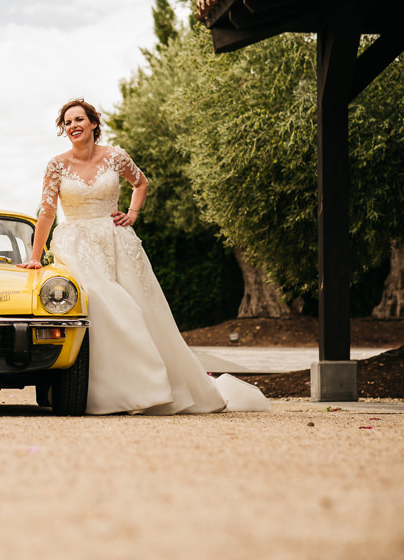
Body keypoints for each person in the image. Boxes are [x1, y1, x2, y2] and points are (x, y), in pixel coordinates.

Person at [19, 98, 268, 414]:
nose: (73, 126)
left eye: (79, 119)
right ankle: (102, 392)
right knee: (103, 306)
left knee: (142, 310)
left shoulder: (115, 157)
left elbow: (141, 182)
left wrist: (132, 213)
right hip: (75, 243)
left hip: (117, 241)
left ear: (94, 123)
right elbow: (47, 212)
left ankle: (150, 389)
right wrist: (36, 256)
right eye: (67, 123)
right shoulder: (57, 165)